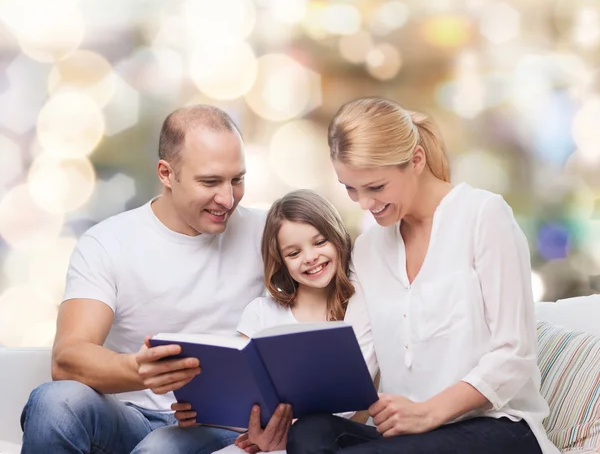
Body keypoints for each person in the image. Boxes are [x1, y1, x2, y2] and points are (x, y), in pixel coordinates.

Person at [286, 97, 560, 454]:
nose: (364, 204)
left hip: (499, 429)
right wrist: (283, 417)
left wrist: (427, 413)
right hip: (411, 439)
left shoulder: (483, 216)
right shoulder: (369, 249)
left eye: (376, 187)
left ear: (416, 160)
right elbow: (357, 361)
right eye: (351, 189)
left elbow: (514, 355)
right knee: (310, 433)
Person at [20, 105, 267, 454]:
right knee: (54, 402)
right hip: (132, 417)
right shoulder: (108, 242)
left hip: (223, 427)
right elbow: (67, 358)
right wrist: (137, 369)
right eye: (210, 181)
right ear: (167, 173)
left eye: (237, 179)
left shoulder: (269, 234)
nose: (228, 198)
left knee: (158, 450)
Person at [149, 189, 377, 454]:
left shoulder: (360, 309)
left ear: (337, 236)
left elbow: (361, 407)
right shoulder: (262, 314)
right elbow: (243, 397)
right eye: (293, 253)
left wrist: (291, 432)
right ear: (280, 261)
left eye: (319, 242)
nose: (310, 257)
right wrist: (201, 412)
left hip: (334, 440)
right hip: (265, 441)